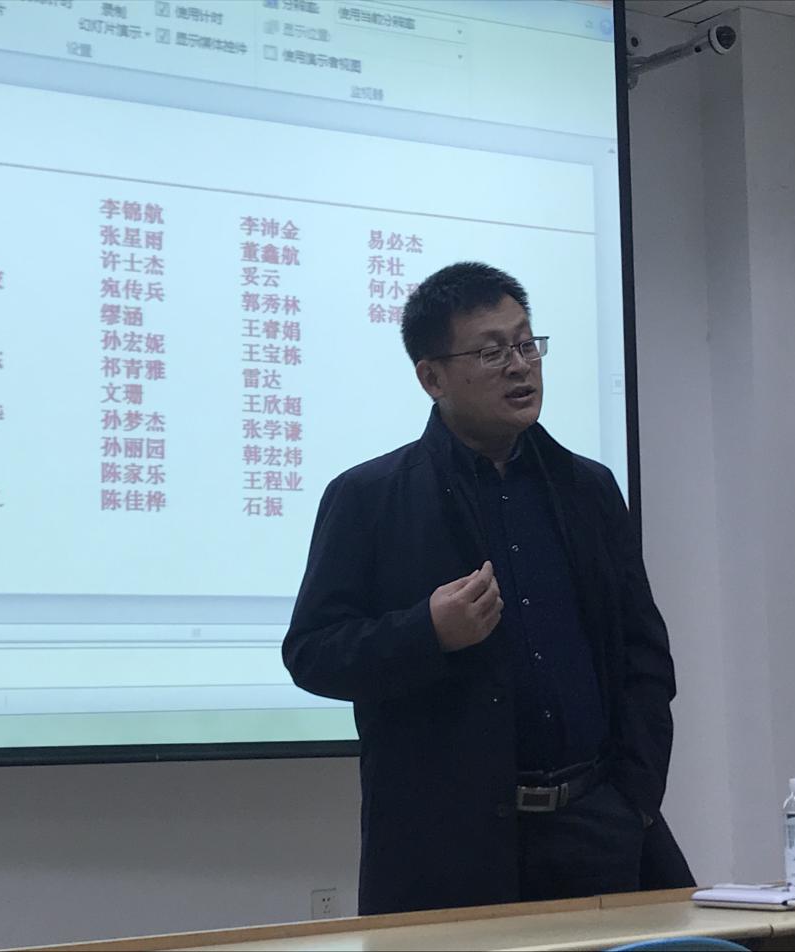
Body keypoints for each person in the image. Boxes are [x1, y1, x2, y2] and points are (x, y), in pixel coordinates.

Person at [282, 261, 692, 915]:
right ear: (432, 378)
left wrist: (633, 802)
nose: (519, 366)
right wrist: (426, 632)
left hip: (597, 829)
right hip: (448, 853)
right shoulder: (369, 498)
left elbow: (643, 655)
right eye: (492, 351)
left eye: (526, 344)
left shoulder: (587, 489)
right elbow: (312, 654)